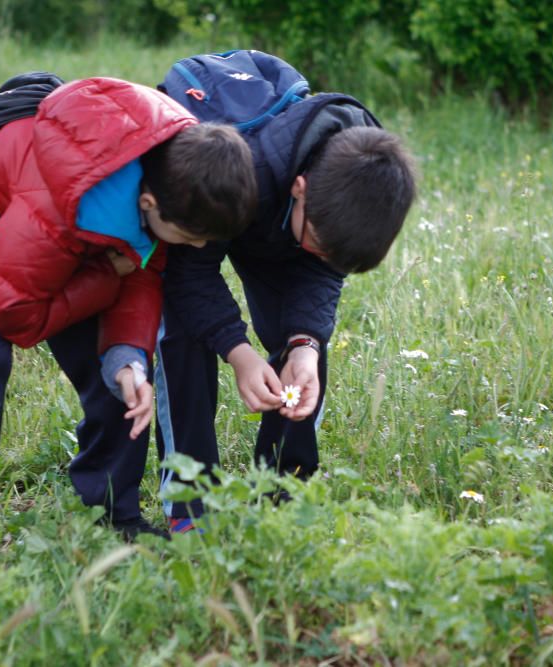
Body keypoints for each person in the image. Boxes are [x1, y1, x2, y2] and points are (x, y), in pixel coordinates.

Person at [0, 75, 257, 589]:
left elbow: (141, 271)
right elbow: (8, 313)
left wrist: (127, 358)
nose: (199, 248)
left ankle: (112, 515)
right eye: (192, 236)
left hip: (69, 234)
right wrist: (104, 276)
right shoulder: (60, 207)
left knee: (122, 378)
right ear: (151, 205)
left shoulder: (170, 168)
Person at [155, 53, 417, 533]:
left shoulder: (350, 190)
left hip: (279, 224)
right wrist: (236, 352)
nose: (325, 260)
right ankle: (190, 507)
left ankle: (282, 496)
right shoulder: (242, 173)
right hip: (218, 198)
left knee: (305, 353)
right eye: (320, 245)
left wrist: (305, 344)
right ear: (301, 187)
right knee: (183, 334)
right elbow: (189, 274)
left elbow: (322, 268)